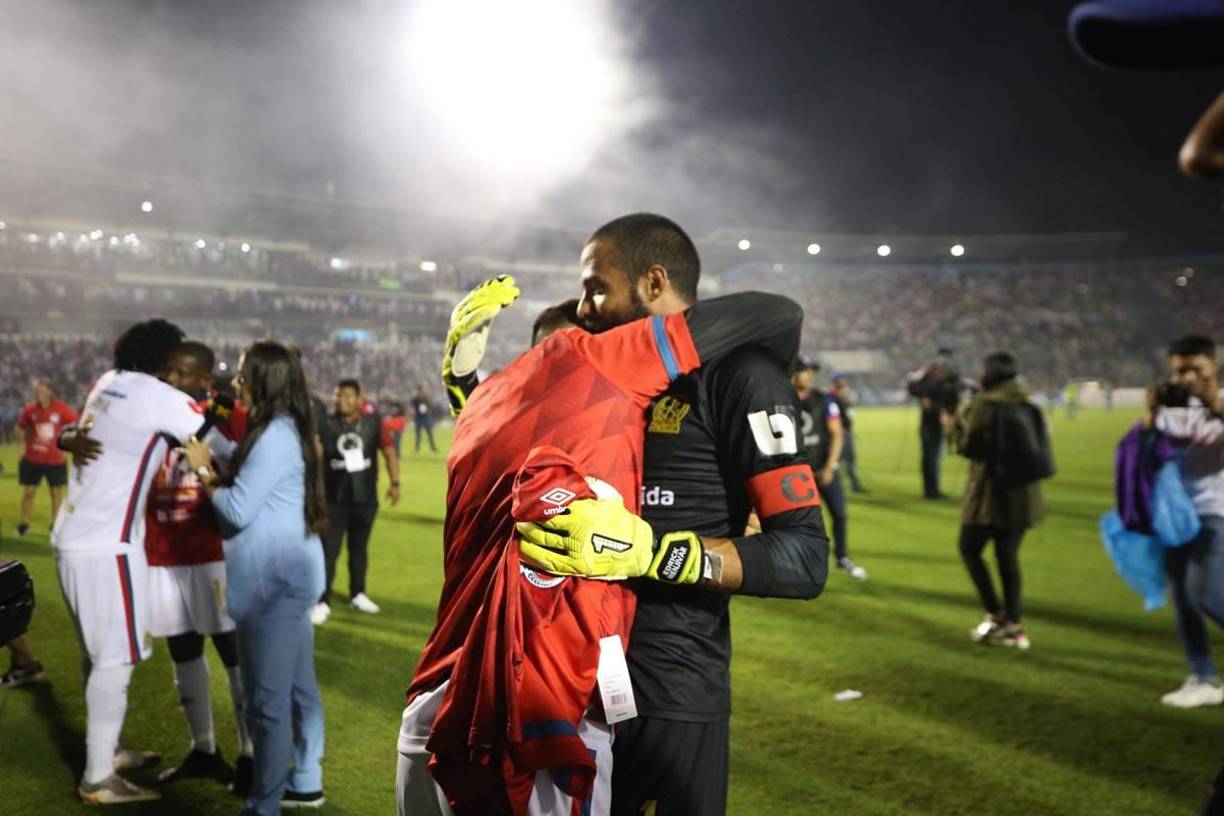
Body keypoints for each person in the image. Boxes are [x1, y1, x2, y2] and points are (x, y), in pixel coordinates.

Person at [399, 267, 812, 816]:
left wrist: (467, 383)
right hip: (537, 721)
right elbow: (778, 311)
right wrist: (656, 554)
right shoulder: (592, 372)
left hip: (434, 706)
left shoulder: (486, 412)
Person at [530, 213, 828, 816]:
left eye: (596, 288)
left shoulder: (743, 377)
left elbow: (803, 556)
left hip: (669, 689)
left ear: (653, 282)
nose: (583, 308)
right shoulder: (608, 378)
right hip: (569, 681)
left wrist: (658, 554)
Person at [52, 319, 219, 805]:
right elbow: (210, 437)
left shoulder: (110, 381)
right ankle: (98, 778)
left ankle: (108, 750)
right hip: (110, 544)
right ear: (168, 362)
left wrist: (65, 436)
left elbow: (83, 430)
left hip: (73, 533)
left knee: (96, 653)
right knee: (116, 658)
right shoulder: (157, 394)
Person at [184, 340, 328, 814]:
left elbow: (236, 508)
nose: (237, 383)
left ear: (263, 380)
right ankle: (305, 779)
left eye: (244, 375)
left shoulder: (275, 435)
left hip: (273, 581)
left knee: (266, 704)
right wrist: (218, 449)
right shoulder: (284, 427)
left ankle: (263, 805)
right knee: (301, 687)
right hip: (291, 572)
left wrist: (204, 471)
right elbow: (256, 473)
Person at [143, 343, 255, 791]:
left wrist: (214, 458)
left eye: (182, 373)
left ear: (203, 378)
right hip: (165, 551)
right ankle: (203, 748)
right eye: (168, 371)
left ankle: (251, 753)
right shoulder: (147, 414)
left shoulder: (224, 416)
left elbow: (247, 468)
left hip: (211, 549)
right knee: (183, 648)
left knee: (232, 652)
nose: (172, 380)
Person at [1143, 336, 1224, 708]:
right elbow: (1145, 456)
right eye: (1180, 370)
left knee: (1204, 593)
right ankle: (1203, 676)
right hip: (1174, 513)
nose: (1187, 376)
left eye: (1196, 368)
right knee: (1182, 597)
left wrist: (1215, 405)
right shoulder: (1171, 403)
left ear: (1214, 366)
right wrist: (1149, 415)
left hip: (1216, 509)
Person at [946, 352, 1045, 650]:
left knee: (969, 548)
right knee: (1007, 556)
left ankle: (995, 615)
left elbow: (968, 447)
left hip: (989, 495)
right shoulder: (1027, 402)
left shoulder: (984, 406)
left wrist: (953, 423)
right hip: (1023, 494)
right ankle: (1014, 626)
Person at [313, 378, 400, 624]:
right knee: (328, 551)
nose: (342, 400)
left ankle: (358, 593)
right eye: (338, 395)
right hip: (333, 500)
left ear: (359, 399)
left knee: (359, 549)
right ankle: (322, 600)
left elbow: (389, 451)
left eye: (348, 396)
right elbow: (316, 456)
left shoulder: (373, 423)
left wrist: (395, 484)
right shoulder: (325, 423)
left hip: (365, 500)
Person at [794, 358, 866, 580]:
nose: (810, 375)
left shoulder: (823, 399)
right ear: (793, 373)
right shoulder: (782, 399)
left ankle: (842, 556)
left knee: (840, 514)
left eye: (811, 371)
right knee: (799, 522)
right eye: (806, 371)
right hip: (796, 475)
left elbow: (837, 434)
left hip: (823, 470)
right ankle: (799, 562)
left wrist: (830, 466)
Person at [16, 377, 78, 536]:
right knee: (29, 492)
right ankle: (24, 523)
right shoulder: (30, 409)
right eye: (37, 391)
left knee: (55, 493)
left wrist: (67, 443)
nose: (39, 393)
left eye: (42, 390)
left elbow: (76, 424)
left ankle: (55, 524)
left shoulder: (61, 408)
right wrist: (21, 445)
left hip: (55, 459)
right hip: (32, 458)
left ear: (50, 391)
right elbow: (20, 427)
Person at [907, 352, 960, 499]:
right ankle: (931, 491)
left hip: (933, 425)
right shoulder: (933, 384)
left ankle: (931, 490)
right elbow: (913, 389)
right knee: (931, 459)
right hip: (931, 426)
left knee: (931, 458)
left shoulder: (942, 384)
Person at [830, 372, 866, 492]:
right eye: (839, 380)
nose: (842, 382)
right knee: (836, 461)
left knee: (850, 461)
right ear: (834, 382)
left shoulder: (844, 396)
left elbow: (848, 415)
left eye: (843, 379)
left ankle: (854, 485)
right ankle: (834, 485)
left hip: (848, 433)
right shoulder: (832, 397)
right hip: (840, 434)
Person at [411, 385, 438, 453]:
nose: (424, 392)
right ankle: (417, 448)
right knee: (418, 434)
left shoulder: (426, 398)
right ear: (419, 391)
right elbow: (412, 404)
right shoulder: (416, 399)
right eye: (423, 390)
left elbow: (431, 406)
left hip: (426, 417)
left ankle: (432, 447)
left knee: (429, 433)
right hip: (418, 418)